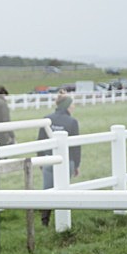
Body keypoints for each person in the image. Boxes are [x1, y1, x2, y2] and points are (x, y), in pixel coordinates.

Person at [37, 90, 81, 226]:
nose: (73, 107)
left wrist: (40, 159)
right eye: (72, 104)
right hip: (67, 162)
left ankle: (45, 221)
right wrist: (77, 164)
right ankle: (62, 223)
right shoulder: (72, 122)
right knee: (62, 190)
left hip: (48, 159)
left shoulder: (47, 119)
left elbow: (40, 141)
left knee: (47, 190)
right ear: (67, 105)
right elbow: (75, 147)